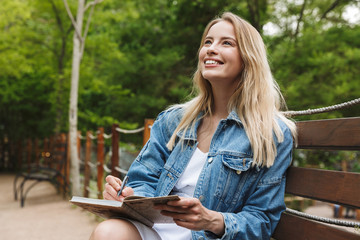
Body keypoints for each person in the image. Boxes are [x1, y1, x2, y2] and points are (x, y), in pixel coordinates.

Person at [90, 11, 297, 240]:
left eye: (226, 43)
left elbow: (263, 218)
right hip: (153, 232)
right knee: (108, 232)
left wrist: (212, 220)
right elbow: (143, 180)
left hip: (208, 237)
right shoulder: (173, 120)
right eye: (207, 42)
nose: (210, 48)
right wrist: (128, 196)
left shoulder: (272, 133)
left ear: (249, 57)